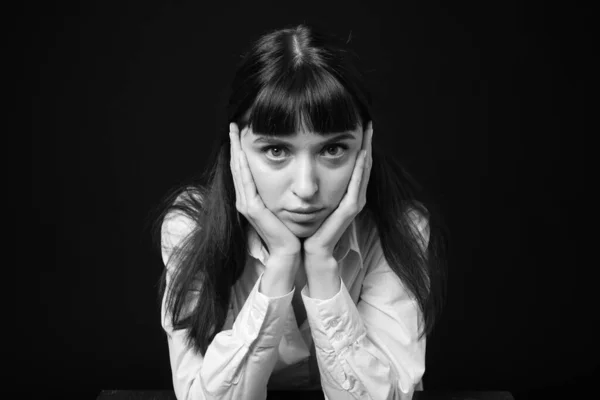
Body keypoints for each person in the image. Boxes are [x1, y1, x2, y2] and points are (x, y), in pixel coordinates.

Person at [152, 22, 448, 400]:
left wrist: (322, 265)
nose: (306, 188)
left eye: (333, 149)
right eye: (276, 150)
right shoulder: (188, 227)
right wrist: (281, 263)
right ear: (237, 148)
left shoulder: (399, 229)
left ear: (364, 146)